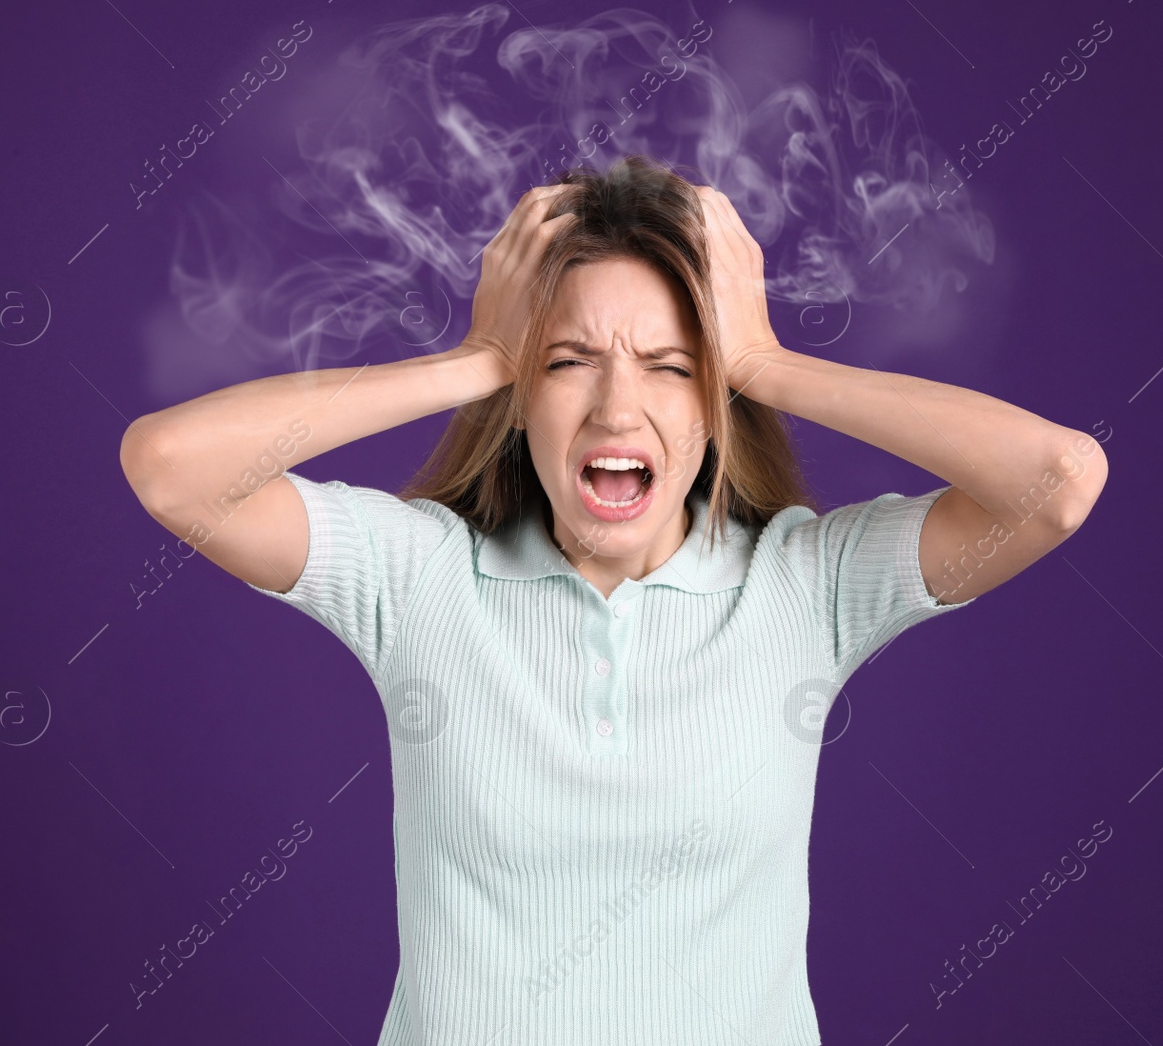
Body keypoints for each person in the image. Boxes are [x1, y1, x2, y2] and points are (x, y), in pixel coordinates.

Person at [120, 154, 1106, 1044]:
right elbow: (171, 469)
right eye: (565, 361)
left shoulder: (805, 585)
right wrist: (475, 359)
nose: (615, 407)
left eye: (672, 367)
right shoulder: (418, 577)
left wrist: (765, 361)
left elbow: (1057, 481)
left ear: (714, 408)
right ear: (521, 402)